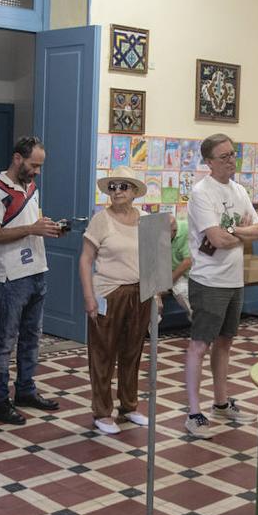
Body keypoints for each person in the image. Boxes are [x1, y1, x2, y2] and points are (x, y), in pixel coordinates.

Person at [183, 133, 258, 438]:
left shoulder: (239, 190)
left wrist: (233, 230)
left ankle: (220, 402)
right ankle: (194, 412)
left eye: (233, 154)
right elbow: (216, 239)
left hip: (234, 279)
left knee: (226, 342)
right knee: (199, 345)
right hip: (208, 280)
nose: (231, 161)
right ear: (209, 162)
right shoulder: (201, 193)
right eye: (224, 157)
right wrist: (239, 232)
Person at [0, 136, 62, 425]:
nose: (37, 171)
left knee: (32, 338)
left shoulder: (31, 187)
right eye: (34, 165)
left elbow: (30, 225)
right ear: (18, 158)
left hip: (37, 269)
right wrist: (32, 228)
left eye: (40, 166)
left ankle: (26, 390)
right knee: (6, 341)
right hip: (12, 276)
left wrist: (46, 227)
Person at [79, 166, 152, 435]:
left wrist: (155, 294)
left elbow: (153, 260)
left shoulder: (146, 219)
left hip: (139, 293)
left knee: (132, 352)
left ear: (134, 191)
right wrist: (89, 296)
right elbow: (86, 259)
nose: (117, 191)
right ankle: (101, 411)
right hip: (108, 292)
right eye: (113, 187)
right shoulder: (102, 219)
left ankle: (129, 405)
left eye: (123, 187)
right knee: (103, 354)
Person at [169, 214, 193, 317]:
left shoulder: (187, 230)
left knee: (182, 291)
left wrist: (169, 282)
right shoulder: (162, 232)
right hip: (169, 270)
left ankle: (199, 324)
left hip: (190, 273)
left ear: (174, 230)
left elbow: (188, 261)